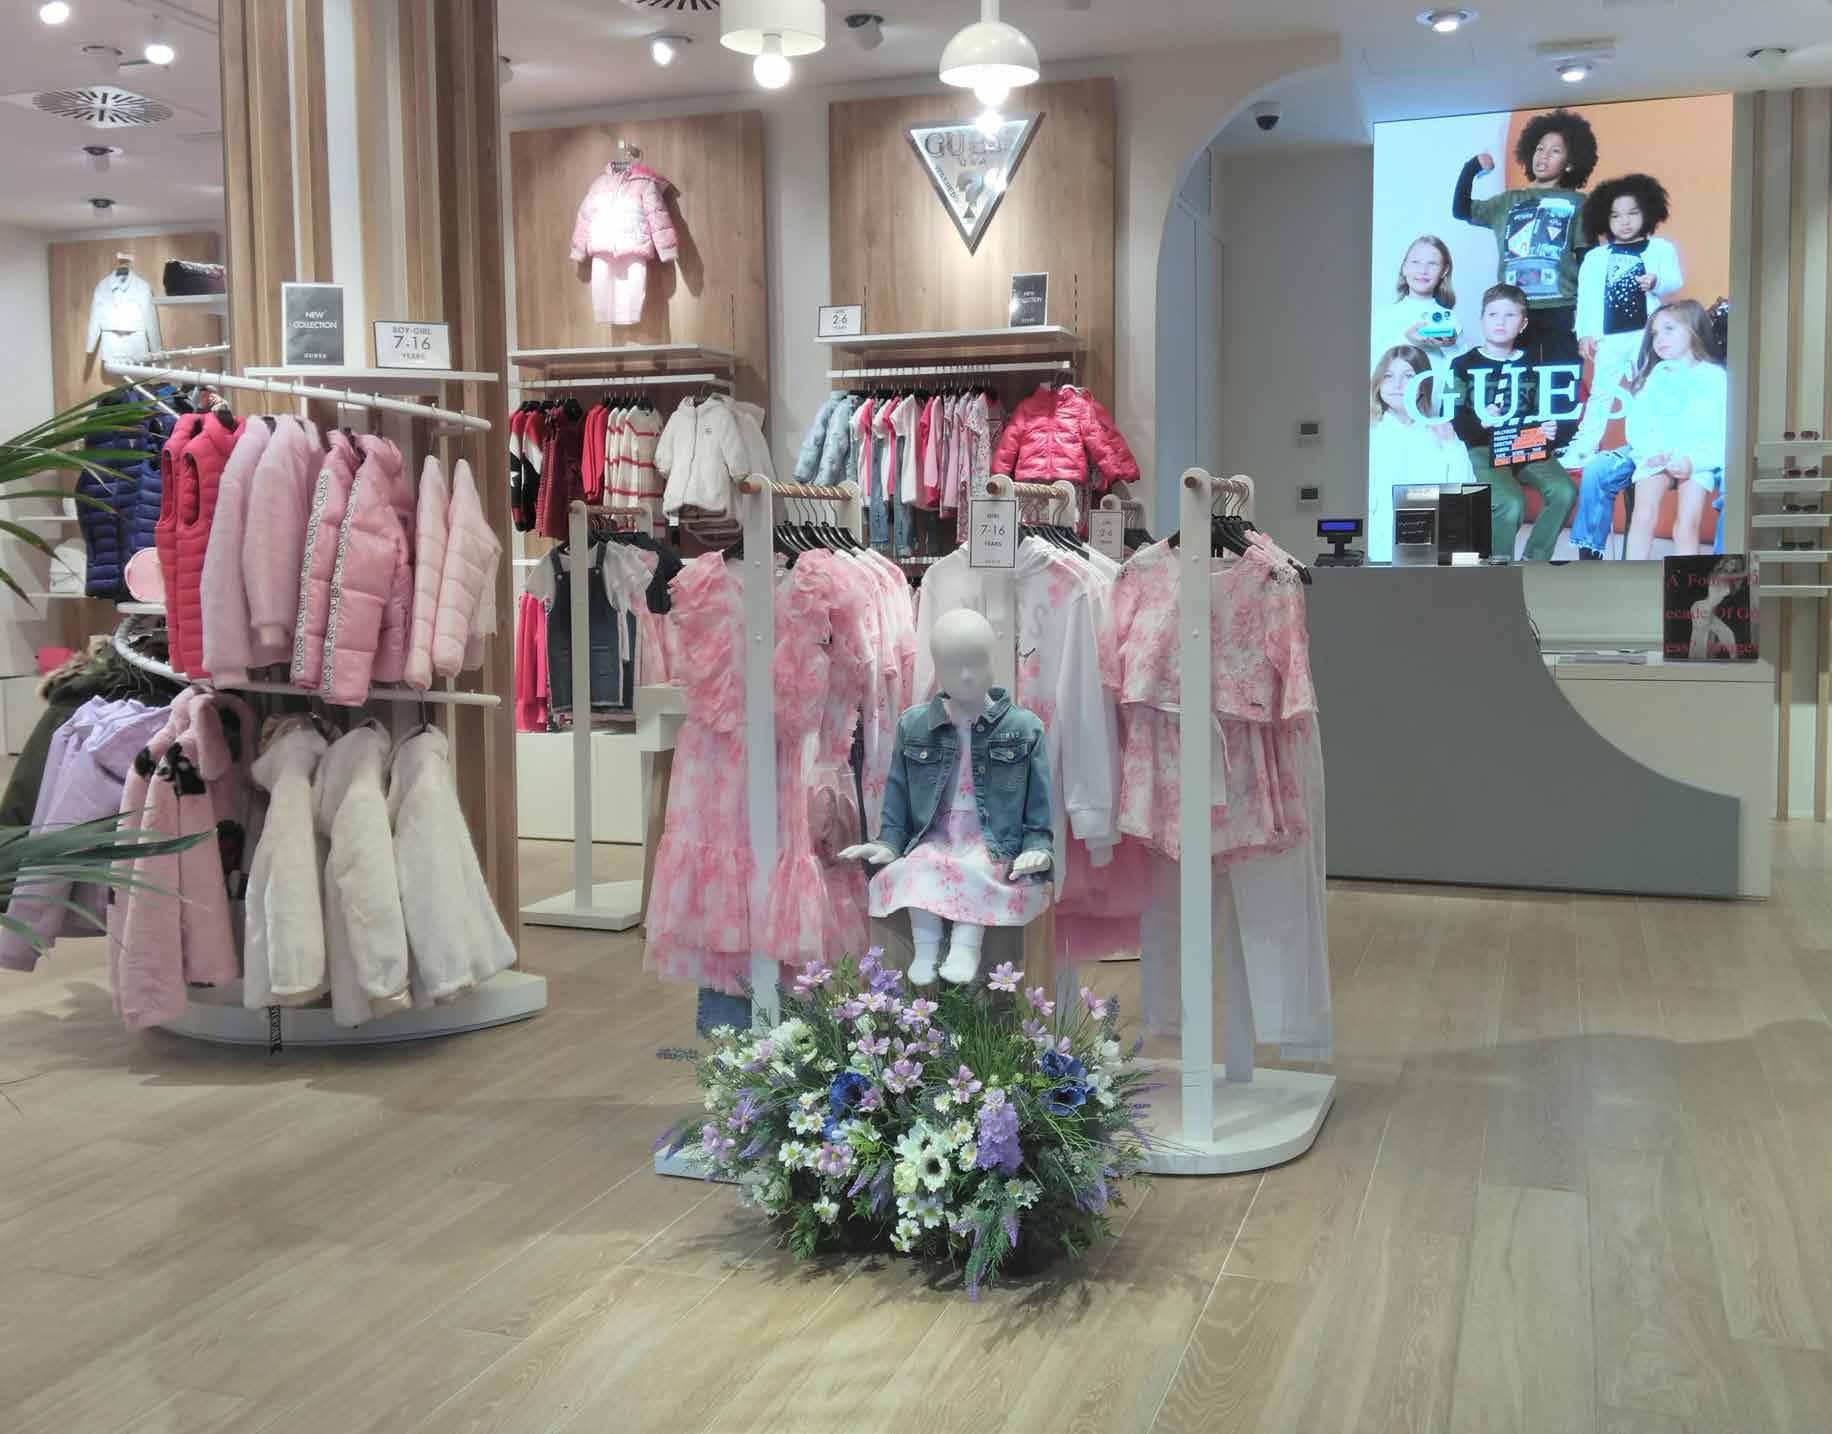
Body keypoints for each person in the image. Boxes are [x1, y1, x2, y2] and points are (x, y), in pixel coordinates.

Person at [1570, 299, 1728, 560]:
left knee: (1686, 527)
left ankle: (1687, 582)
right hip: (1656, 454)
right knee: (1643, 516)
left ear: (1694, 330)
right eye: (1654, 334)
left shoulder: (1715, 377)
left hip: (1696, 458)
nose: (1659, 339)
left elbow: (1718, 431)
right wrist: (1652, 453)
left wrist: (1692, 461)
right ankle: (1633, 576)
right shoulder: (1656, 376)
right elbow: (1639, 424)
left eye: (1669, 329)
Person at [1452, 108, 1599, 368]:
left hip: (1561, 308)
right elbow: (1461, 210)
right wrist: (1472, 168)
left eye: (1555, 151)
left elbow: (1589, 262)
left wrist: (1586, 313)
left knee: (1560, 380)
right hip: (1512, 309)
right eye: (1540, 148)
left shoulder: (1579, 203)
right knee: (1517, 383)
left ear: (1570, 162)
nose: (1544, 156)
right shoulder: (1507, 201)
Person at [1449, 284, 1579, 561]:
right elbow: (1455, 419)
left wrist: (1551, 429)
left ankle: (1534, 559)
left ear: (1523, 324)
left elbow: (1548, 412)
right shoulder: (1462, 365)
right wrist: (1482, 421)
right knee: (1510, 502)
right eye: (1493, 314)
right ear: (1482, 320)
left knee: (1565, 491)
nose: (1501, 322)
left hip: (1524, 444)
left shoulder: (1535, 364)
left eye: (1510, 315)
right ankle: (1500, 566)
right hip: (1482, 448)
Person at [1566, 173, 1685, 465]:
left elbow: (1675, 281)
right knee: (1601, 393)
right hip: (1609, 337)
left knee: (1650, 388)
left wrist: (1656, 282)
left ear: (1648, 213)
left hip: (1646, 335)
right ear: (1604, 220)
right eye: (1616, 215)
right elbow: (1587, 299)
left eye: (1632, 213)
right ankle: (1583, 449)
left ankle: (1653, 445)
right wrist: (1585, 333)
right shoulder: (1596, 258)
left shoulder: (1661, 249)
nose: (1625, 221)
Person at [1366, 344, 1476, 563]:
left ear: (1423, 384)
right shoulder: (1368, 433)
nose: (1397, 385)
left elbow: (1465, 492)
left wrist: (1451, 444)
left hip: (1433, 553)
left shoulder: (1439, 432)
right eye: (1388, 376)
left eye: (1408, 376)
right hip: (1379, 553)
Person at [1371, 236, 1460, 384]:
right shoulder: (1383, 316)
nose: (1423, 271)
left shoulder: (1450, 319)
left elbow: (1463, 374)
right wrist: (1408, 341)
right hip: (1397, 397)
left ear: (1444, 271)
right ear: (1404, 268)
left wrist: (1450, 347)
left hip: (1438, 397)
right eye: (1416, 262)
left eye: (1432, 264)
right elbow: (1375, 368)